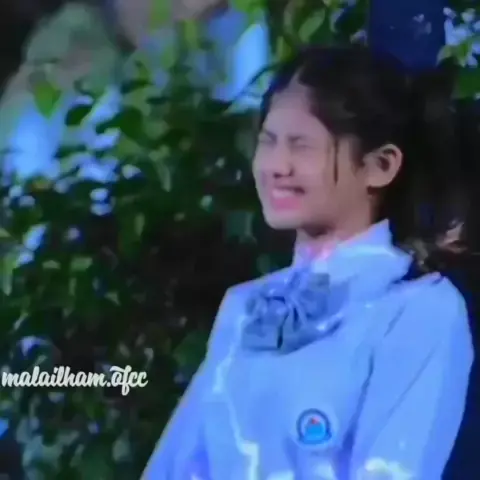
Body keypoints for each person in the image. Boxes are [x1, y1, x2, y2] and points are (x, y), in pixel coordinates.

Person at [141, 44, 475, 479]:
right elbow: (174, 466)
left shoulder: (418, 308)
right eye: (268, 142)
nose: (276, 166)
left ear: (380, 166)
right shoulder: (246, 307)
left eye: (301, 146)